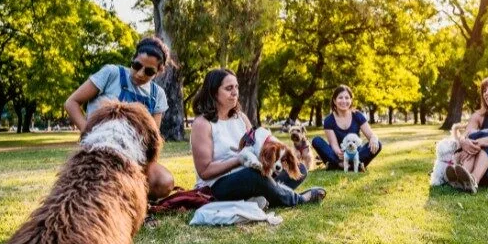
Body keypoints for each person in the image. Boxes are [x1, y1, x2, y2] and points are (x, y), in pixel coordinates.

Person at [190, 68, 326, 206]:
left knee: (298, 168)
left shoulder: (240, 117)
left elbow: (256, 146)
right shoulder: (202, 124)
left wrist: (272, 156)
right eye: (229, 88)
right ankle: (297, 199)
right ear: (213, 92)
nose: (235, 92)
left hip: (249, 175)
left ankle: (262, 197)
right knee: (255, 176)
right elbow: (205, 171)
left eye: (236, 87)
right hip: (217, 186)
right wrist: (239, 160)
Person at [64, 36, 175, 200]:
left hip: (133, 157)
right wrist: (88, 132)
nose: (140, 74)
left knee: (163, 181)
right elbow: (71, 103)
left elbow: (152, 139)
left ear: (159, 71)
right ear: (133, 59)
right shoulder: (111, 74)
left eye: (149, 71)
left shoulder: (157, 95)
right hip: (100, 148)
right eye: (137, 66)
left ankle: (131, 196)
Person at [311, 85, 381, 171]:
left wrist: (374, 139)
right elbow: (334, 144)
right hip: (338, 154)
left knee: (378, 144)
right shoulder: (329, 120)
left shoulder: (357, 115)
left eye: (347, 98)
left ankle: (339, 165)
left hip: (356, 153)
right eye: (340, 98)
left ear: (351, 100)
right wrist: (340, 153)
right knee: (316, 141)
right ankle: (346, 164)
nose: (344, 101)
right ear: (334, 100)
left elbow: (371, 135)